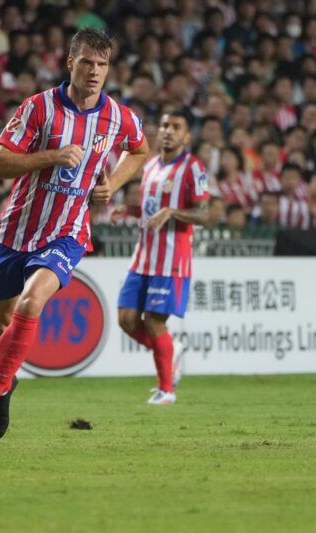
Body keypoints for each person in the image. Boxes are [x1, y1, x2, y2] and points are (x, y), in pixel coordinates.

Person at [0, 29, 150, 440]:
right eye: (87, 63)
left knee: (32, 301)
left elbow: (139, 149)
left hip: (68, 231)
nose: (94, 71)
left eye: (102, 65)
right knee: (2, 321)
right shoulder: (38, 108)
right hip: (17, 229)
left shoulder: (118, 116)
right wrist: (51, 156)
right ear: (70, 63)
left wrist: (113, 185)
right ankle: (5, 388)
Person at [117, 109, 209, 405]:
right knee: (126, 319)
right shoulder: (151, 165)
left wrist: (171, 212)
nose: (168, 130)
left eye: (176, 127)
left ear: (186, 136)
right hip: (143, 257)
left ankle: (166, 390)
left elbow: (205, 214)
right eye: (165, 125)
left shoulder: (193, 168)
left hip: (171, 261)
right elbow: (151, 210)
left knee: (154, 322)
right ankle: (172, 350)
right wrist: (130, 211)